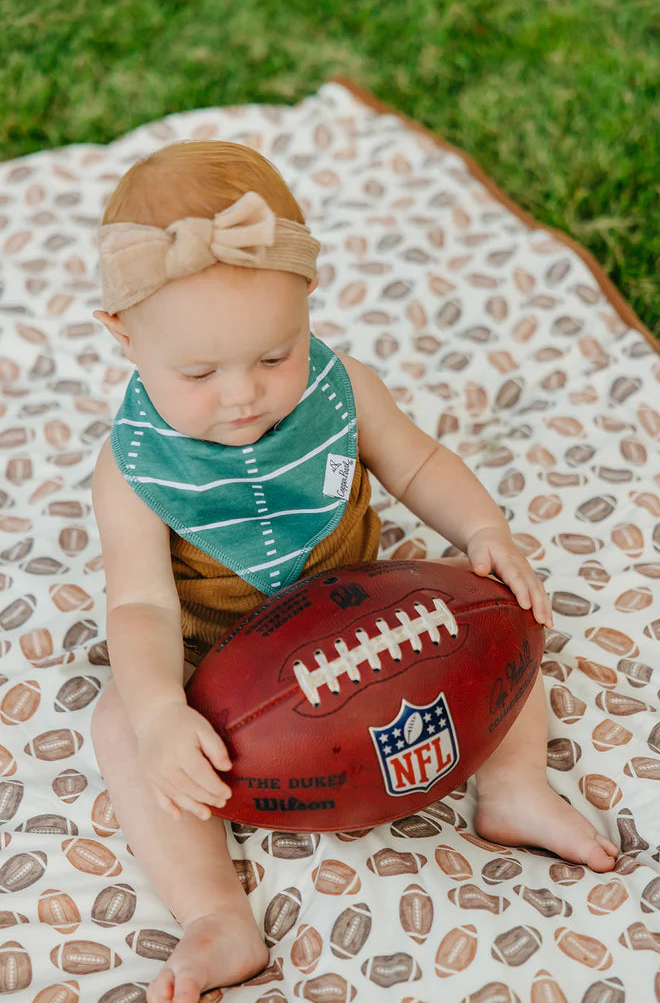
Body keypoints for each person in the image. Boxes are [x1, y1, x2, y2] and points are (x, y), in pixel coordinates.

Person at [91, 141, 619, 1003]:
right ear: (121, 336)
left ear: (306, 306)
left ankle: (515, 787)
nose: (243, 396)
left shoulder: (340, 389)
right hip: (220, 661)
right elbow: (141, 606)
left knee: (494, 611)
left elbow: (417, 464)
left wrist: (485, 530)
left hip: (357, 607)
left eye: (274, 355)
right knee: (119, 721)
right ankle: (215, 915)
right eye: (197, 372)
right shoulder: (134, 469)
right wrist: (160, 712)